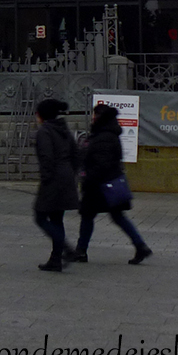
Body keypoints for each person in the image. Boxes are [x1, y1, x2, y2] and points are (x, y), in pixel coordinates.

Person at [68, 104, 152, 265]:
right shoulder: (107, 133)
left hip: (101, 185)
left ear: (100, 117)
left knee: (88, 216)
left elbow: (102, 163)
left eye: (95, 114)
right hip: (108, 183)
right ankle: (140, 246)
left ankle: (81, 251)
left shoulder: (104, 136)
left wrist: (89, 179)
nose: (92, 117)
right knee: (116, 216)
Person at [32, 98, 79, 272]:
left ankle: (67, 249)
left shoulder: (45, 131)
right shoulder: (63, 129)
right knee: (57, 218)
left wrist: (46, 178)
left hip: (53, 179)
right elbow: (76, 154)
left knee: (40, 217)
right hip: (66, 176)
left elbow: (46, 157)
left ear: (41, 115)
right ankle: (56, 259)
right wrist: (71, 173)